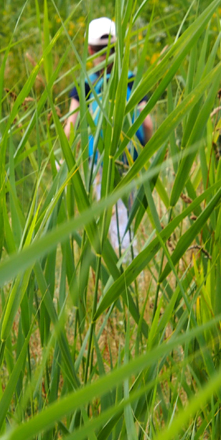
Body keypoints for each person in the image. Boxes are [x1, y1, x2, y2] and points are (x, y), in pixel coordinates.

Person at [63, 16, 154, 259]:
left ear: (90, 50)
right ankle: (131, 255)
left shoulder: (84, 84)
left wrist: (64, 159)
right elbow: (147, 122)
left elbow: (71, 126)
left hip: (99, 158)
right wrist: (149, 151)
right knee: (131, 208)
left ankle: (126, 257)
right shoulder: (131, 79)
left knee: (114, 212)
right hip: (131, 155)